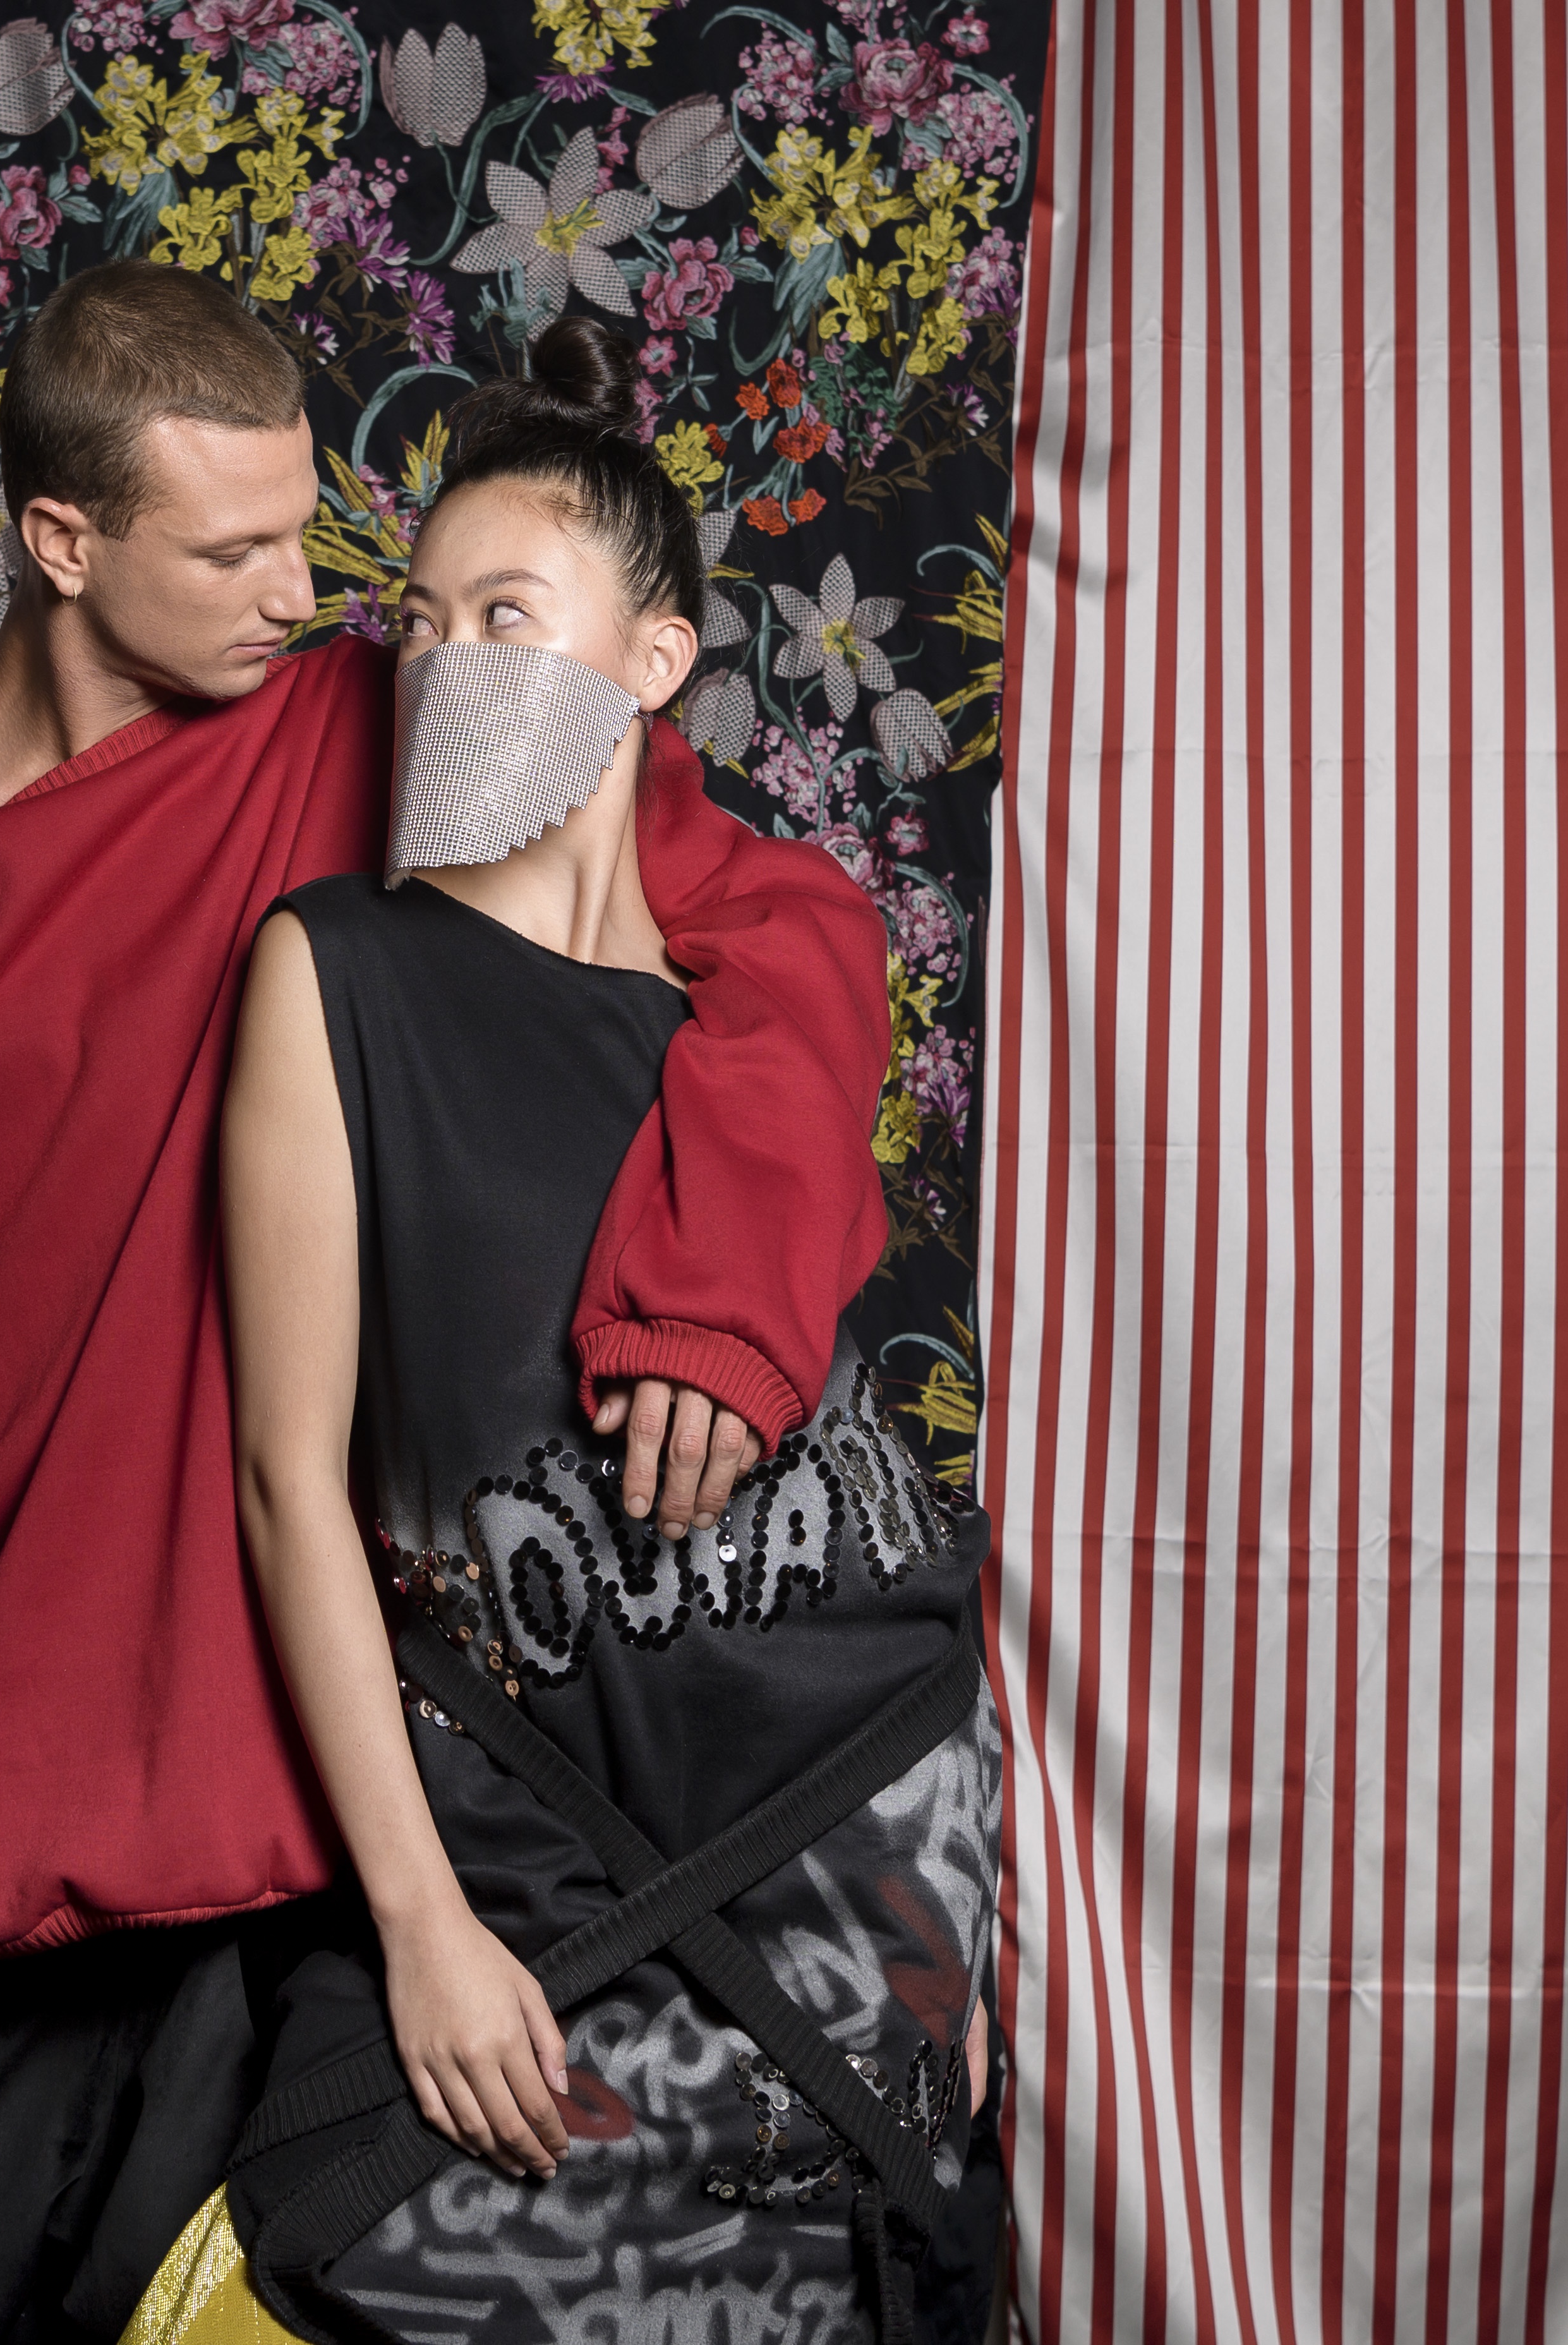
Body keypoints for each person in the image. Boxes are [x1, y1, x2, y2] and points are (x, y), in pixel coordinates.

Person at [0, 263, 891, 2342]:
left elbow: (794, 934)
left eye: (310, 535)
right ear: (63, 541)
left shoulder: (394, 721)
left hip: (323, 1832)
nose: (305, 596)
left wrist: (720, 1297)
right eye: (233, 554)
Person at [191, 320, 1001, 2344]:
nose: (450, 659)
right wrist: (418, 1924)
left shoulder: (760, 1022)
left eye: (510, 614)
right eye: (425, 621)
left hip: (872, 1827)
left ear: (652, 662)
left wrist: (955, 1928)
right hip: (542, 1851)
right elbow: (290, 1488)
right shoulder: (339, 974)